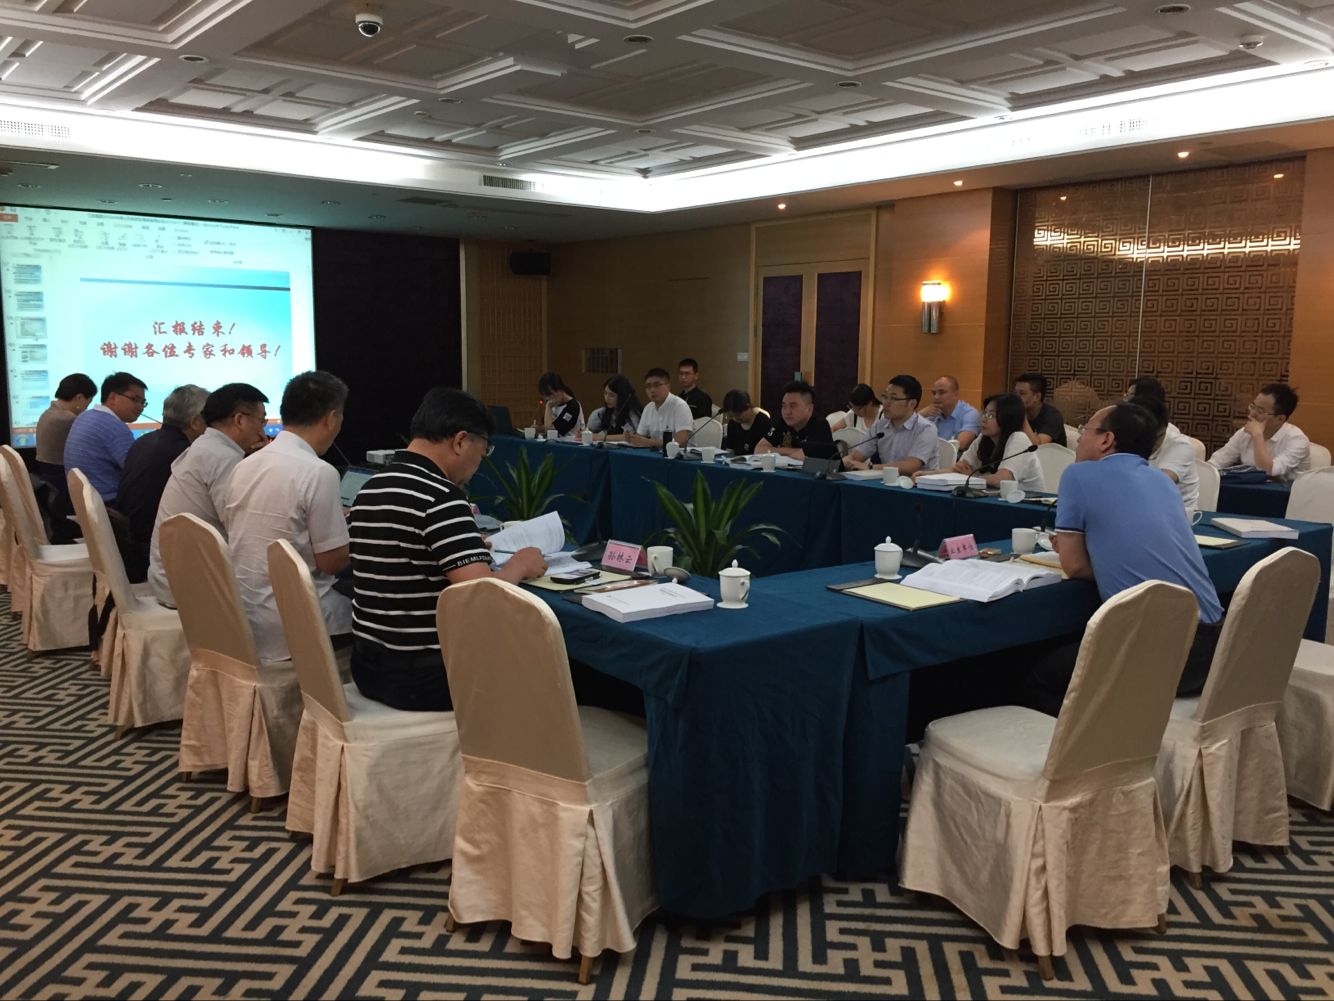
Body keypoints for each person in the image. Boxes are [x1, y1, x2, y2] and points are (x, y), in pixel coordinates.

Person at [348, 388, 547, 711]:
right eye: (482, 452)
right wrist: (520, 566)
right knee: (565, 671)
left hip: (368, 667)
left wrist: (461, 545)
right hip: (425, 679)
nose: (478, 465)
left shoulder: (371, 487)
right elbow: (481, 596)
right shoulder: (441, 496)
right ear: (461, 441)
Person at [1028, 401, 1223, 714]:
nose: (1079, 438)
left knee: (1037, 677)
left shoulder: (1079, 475)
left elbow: (1074, 566)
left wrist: (1100, 560)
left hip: (1161, 655)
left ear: (1106, 440)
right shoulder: (1162, 480)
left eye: (1086, 430)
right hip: (1213, 649)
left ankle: (1100, 743)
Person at [222, 371, 352, 662]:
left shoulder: (244, 466)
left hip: (247, 614)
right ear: (332, 418)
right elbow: (331, 562)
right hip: (300, 623)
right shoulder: (319, 472)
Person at [146, 383, 270, 607]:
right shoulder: (224, 459)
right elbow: (243, 530)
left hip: (170, 578)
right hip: (194, 589)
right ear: (240, 420)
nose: (264, 430)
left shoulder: (206, 447)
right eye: (262, 421)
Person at [115, 384, 209, 582]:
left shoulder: (144, 441)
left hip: (128, 544)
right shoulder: (185, 454)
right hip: (150, 553)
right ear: (195, 422)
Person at [63, 371, 148, 503]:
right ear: (113, 397)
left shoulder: (85, 416)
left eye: (143, 402)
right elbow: (137, 473)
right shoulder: (114, 426)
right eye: (135, 400)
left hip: (83, 502)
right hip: (108, 504)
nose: (140, 407)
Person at [941, 393, 1045, 493]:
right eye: (985, 413)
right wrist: (931, 475)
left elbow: (1002, 479)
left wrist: (971, 478)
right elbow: (958, 469)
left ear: (1007, 419)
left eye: (991, 416)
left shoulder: (1019, 438)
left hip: (1027, 501)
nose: (984, 419)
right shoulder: (984, 438)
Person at [1208, 382, 1310, 481]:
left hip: (1287, 491)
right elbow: (1216, 463)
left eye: (1260, 411)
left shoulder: (1297, 440)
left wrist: (1257, 435)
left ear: (1280, 419)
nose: (1252, 414)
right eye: (1252, 407)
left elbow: (1267, 472)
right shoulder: (1244, 433)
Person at [34, 373, 95, 537]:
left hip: (49, 484)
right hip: (62, 487)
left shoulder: (49, 412)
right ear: (79, 398)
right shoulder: (67, 419)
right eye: (89, 402)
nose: (87, 407)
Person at [841, 374, 938, 475]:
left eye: (893, 398)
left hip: (917, 483)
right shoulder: (880, 427)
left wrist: (871, 467)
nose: (886, 402)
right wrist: (845, 462)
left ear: (912, 404)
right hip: (887, 481)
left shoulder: (926, 429)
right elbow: (856, 456)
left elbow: (910, 466)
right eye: (885, 396)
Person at [1130, 392, 1200, 517]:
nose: (1150, 443)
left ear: (1166, 427)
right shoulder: (1122, 440)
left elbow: (1158, 485)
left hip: (1175, 517)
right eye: (1144, 437)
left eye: (1157, 437)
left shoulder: (1180, 446)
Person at [756, 380, 833, 459]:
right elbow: (759, 449)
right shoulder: (782, 423)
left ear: (809, 409)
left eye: (793, 406)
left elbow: (814, 456)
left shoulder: (820, 425)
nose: (787, 412)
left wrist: (777, 451)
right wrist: (791, 451)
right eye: (784, 406)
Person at [627, 368, 693, 448]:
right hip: (656, 453)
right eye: (648, 386)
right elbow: (640, 437)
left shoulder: (680, 406)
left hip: (681, 454)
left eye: (657, 385)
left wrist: (649, 442)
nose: (652, 390)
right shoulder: (648, 408)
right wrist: (632, 438)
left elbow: (680, 442)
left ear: (668, 386)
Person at [919, 375, 981, 450]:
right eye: (934, 393)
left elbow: (960, 445)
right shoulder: (931, 413)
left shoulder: (970, 414)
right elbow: (911, 438)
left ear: (956, 394)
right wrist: (920, 415)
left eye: (941, 392)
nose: (936, 397)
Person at [1013, 372, 1067, 446]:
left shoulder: (1053, 416)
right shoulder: (1014, 413)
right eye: (1015, 393)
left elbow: (1039, 447)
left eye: (1022, 393)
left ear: (1037, 397)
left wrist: (1022, 418)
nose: (1016, 398)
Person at [586, 374, 642, 440]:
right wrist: (583, 433)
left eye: (612, 395)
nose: (607, 398)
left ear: (622, 397)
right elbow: (590, 433)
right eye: (605, 393)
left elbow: (633, 437)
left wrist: (603, 437)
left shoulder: (633, 414)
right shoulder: (599, 413)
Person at [720, 389, 772, 455]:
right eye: (732, 416)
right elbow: (730, 450)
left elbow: (767, 451)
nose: (735, 419)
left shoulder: (763, 422)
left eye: (738, 415)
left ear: (748, 406)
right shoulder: (733, 424)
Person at [534, 372, 583, 438]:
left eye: (549, 394)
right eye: (545, 396)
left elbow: (550, 430)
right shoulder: (554, 404)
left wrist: (548, 406)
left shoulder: (573, 406)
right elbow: (547, 425)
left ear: (560, 390)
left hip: (570, 443)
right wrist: (538, 429)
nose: (547, 398)